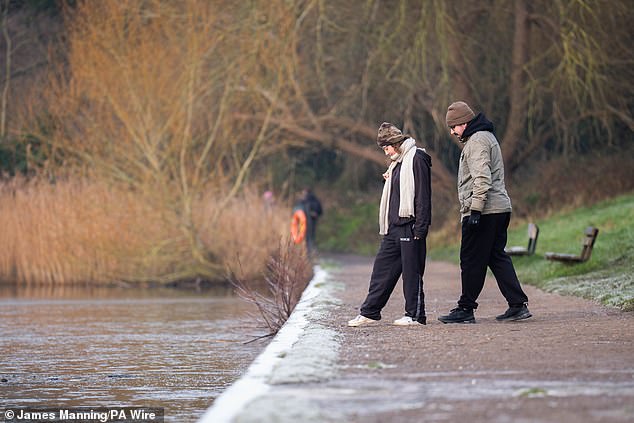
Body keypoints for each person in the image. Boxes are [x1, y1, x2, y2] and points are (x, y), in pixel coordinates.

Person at [438, 101, 532, 324]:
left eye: (454, 126)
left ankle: (465, 309)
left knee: (470, 259)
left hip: (485, 210)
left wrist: (475, 211)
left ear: (464, 122)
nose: (452, 131)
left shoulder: (477, 141)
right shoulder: (485, 137)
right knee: (496, 257)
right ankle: (517, 305)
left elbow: (482, 178)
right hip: (499, 208)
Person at [348, 122, 431, 327]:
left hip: (411, 226)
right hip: (392, 228)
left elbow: (422, 195)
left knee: (412, 273)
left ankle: (415, 315)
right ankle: (370, 311)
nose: (385, 152)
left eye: (386, 147)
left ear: (395, 143)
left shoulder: (416, 158)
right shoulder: (397, 164)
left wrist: (421, 227)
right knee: (381, 271)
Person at [297, 187, 322, 253]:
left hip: (307, 222)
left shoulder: (306, 201)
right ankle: (310, 251)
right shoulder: (314, 200)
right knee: (310, 236)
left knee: (308, 237)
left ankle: (309, 251)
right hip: (309, 221)